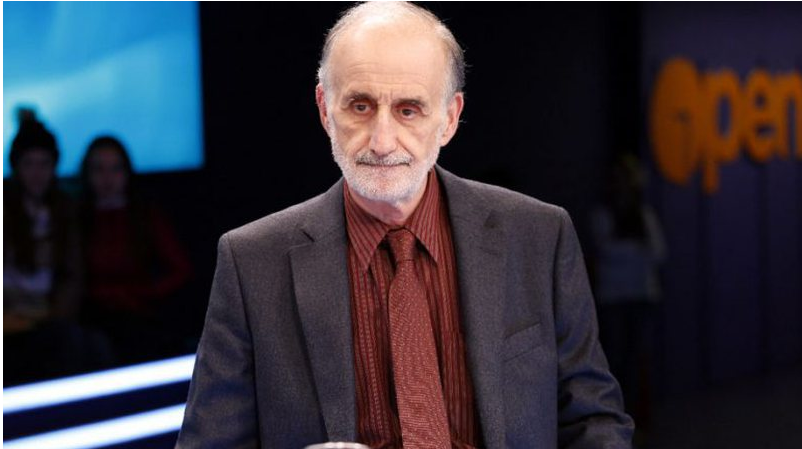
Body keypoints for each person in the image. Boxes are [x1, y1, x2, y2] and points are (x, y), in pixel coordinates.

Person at [177, 3, 633, 448]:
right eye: (360, 106)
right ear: (324, 109)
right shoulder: (252, 262)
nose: (381, 141)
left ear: (449, 119)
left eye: (408, 110)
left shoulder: (539, 236)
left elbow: (594, 421)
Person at [78, 136, 193, 365]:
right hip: (91, 320)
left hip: (140, 317)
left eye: (115, 168)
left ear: (127, 172)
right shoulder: (75, 218)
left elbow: (181, 269)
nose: (107, 178)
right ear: (87, 173)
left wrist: (145, 294)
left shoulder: (144, 215)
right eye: (99, 169)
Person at [3, 110, 98, 384]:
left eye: (44, 164)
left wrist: (51, 316)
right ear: (16, 166)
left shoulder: (65, 209)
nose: (37, 173)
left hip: (48, 321)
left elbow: (72, 276)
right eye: (29, 163)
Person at [590, 155, 666, 444]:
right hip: (613, 298)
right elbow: (606, 253)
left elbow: (658, 252)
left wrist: (626, 250)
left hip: (642, 296)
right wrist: (634, 250)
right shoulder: (602, 215)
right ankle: (611, 422)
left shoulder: (644, 215)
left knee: (637, 360)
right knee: (614, 361)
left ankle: (637, 420)